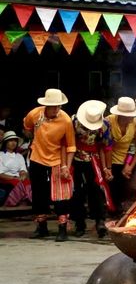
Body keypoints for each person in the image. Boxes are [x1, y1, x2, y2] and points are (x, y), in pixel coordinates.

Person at [23, 88, 76, 241]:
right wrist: (33, 139)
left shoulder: (65, 120)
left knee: (61, 195)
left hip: (58, 159)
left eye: (59, 106)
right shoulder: (35, 114)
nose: (57, 109)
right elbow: (27, 127)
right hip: (37, 157)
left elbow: (71, 146)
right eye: (53, 106)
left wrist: (67, 166)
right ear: (46, 106)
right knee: (38, 192)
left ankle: (62, 228)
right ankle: (41, 226)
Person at [70, 100, 113, 238]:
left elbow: (105, 147)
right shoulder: (74, 122)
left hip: (94, 159)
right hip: (75, 158)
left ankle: (100, 220)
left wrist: (106, 167)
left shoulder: (105, 125)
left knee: (96, 189)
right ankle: (79, 223)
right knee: (77, 191)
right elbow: (68, 143)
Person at [106, 97, 136, 216]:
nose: (132, 117)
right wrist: (108, 167)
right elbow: (107, 147)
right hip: (110, 157)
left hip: (129, 156)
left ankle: (129, 209)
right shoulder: (108, 122)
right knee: (113, 184)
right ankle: (114, 210)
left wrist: (130, 165)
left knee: (133, 184)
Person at [0, 131, 31, 207]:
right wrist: (15, 178)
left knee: (26, 182)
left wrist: (23, 174)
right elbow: (0, 174)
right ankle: (11, 204)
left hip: (18, 179)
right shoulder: (0, 155)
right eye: (10, 140)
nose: (13, 143)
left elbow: (23, 170)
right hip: (5, 179)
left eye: (15, 141)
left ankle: (23, 204)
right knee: (19, 184)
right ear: (5, 142)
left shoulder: (19, 156)